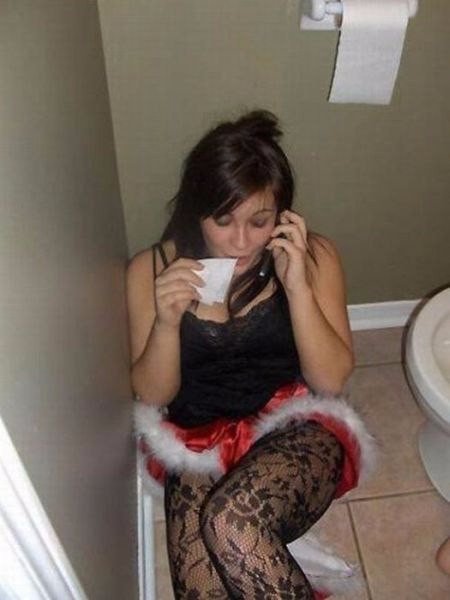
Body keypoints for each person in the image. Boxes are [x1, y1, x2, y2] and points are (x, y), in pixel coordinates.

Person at [128, 110, 375, 600]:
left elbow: (330, 381)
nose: (241, 242)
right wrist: (166, 323)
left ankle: (264, 539)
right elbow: (153, 395)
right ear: (197, 211)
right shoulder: (151, 269)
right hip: (197, 442)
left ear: (282, 214)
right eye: (223, 221)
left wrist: (297, 286)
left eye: (259, 221)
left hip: (296, 425)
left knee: (231, 521)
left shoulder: (314, 256)